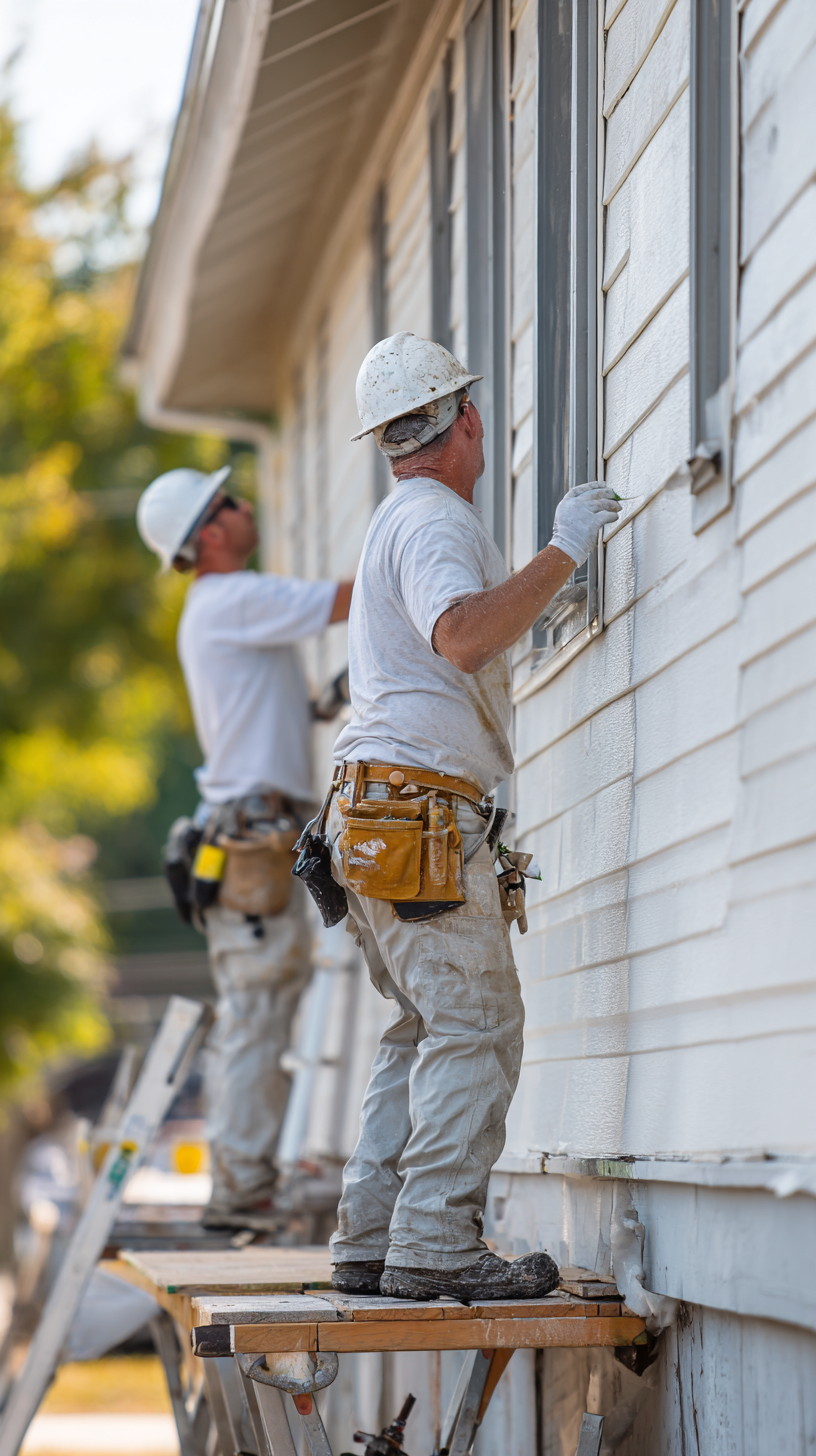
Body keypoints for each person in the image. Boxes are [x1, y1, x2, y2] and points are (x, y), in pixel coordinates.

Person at [321, 332, 621, 1300]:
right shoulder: (435, 519)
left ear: (386, 439)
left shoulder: (397, 519)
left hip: (374, 813)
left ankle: (371, 1237)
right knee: (478, 1024)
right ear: (470, 420)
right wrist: (565, 551)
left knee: (424, 1026)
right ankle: (434, 1245)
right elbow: (461, 634)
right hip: (416, 812)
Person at [136, 465, 353, 1229]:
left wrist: (320, 702)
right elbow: (350, 597)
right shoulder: (234, 597)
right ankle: (239, 1191)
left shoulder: (219, 609)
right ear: (209, 532)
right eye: (230, 501)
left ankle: (244, 1182)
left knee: (260, 1003)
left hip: (251, 829)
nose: (247, 505)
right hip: (253, 836)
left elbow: (263, 707)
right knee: (258, 1006)